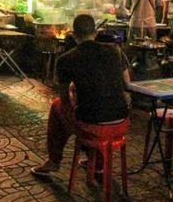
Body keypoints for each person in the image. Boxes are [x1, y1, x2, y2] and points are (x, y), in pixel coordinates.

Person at [31, 14, 130, 176]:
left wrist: (75, 94)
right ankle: (97, 163)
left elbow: (64, 100)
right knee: (95, 107)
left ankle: (53, 162)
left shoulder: (66, 59)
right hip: (122, 122)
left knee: (58, 107)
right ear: (96, 32)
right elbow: (127, 83)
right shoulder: (115, 51)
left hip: (92, 126)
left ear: (74, 35)